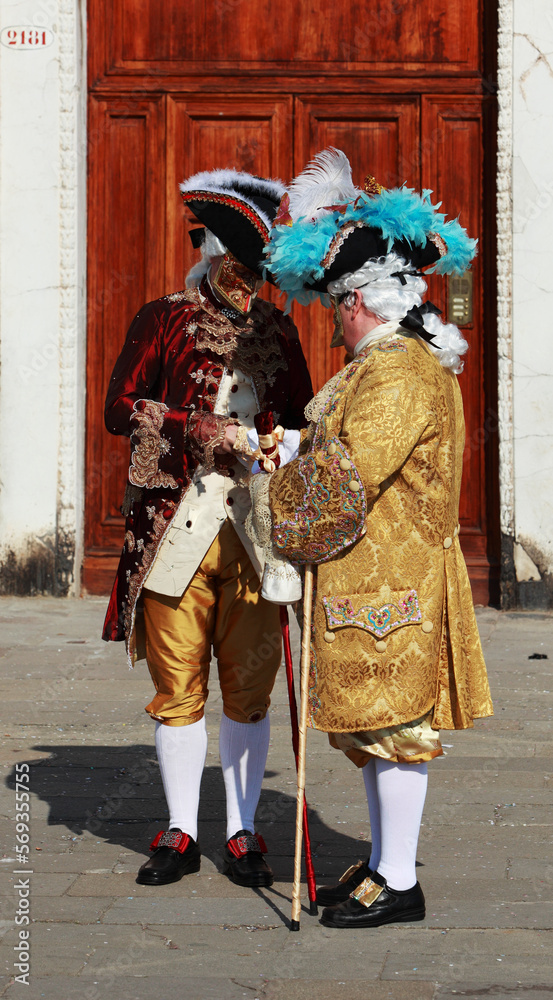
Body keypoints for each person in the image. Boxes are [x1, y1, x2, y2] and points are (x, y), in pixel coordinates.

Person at [249, 148, 493, 927]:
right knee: (374, 731)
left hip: (392, 585)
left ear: (359, 302)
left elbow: (346, 478)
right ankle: (383, 865)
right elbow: (338, 454)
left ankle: (398, 880)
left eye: (334, 307)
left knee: (395, 730)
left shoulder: (392, 373)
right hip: (376, 579)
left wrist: (270, 483)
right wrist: (284, 448)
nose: (331, 318)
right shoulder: (387, 367)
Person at [102, 168, 313, 888]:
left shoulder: (279, 329)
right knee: (177, 685)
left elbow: (301, 416)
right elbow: (118, 406)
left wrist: (279, 438)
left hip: (254, 534)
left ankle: (245, 831)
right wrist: (190, 424)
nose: (250, 283)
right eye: (240, 267)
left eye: (257, 272)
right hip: (174, 529)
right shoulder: (161, 317)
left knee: (250, 687)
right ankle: (183, 828)